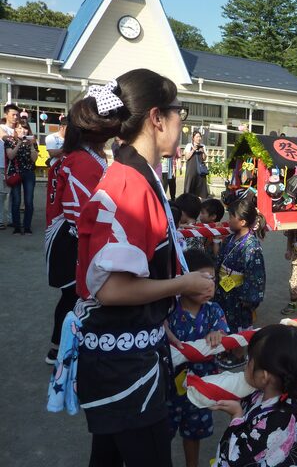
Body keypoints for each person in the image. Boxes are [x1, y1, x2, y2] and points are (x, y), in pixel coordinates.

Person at [72, 69, 215, 466]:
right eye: (179, 112)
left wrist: (159, 322)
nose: (182, 122)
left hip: (126, 352)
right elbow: (112, 289)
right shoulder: (131, 185)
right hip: (126, 366)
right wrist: (184, 283)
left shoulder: (133, 175)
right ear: (157, 118)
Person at [43, 100, 108, 365]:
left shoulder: (75, 157)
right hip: (74, 238)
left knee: (73, 295)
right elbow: (79, 211)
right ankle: (61, 349)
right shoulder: (81, 160)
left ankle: (60, 347)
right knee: (75, 295)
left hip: (70, 234)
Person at [211, 324, 297, 466]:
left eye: (249, 360)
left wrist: (236, 415)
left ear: (264, 377)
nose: (246, 365)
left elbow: (236, 459)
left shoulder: (279, 420)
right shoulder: (269, 392)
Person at [165, 249, 229, 467]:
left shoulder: (214, 311)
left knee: (193, 434)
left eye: (212, 279)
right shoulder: (169, 310)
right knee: (162, 434)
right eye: (203, 280)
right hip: (169, 389)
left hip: (200, 387)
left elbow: (224, 334)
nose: (209, 286)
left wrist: (218, 334)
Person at [214, 197, 266, 369]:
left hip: (239, 294)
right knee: (225, 321)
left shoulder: (252, 246)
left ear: (242, 222)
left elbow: (256, 275)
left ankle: (239, 354)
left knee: (239, 324)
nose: (228, 220)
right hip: (224, 290)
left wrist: (249, 299)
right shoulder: (230, 239)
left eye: (231, 217)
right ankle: (227, 348)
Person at [4, 120, 38, 235]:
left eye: (24, 128)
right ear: (15, 130)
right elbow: (10, 156)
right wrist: (18, 143)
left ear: (28, 130)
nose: (22, 130)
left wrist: (32, 145)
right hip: (15, 173)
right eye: (19, 128)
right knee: (16, 200)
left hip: (29, 173)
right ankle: (17, 227)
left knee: (29, 201)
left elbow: (34, 159)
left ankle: (27, 226)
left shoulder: (32, 141)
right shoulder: (10, 141)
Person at [0, 104, 19, 229]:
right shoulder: (1, 128)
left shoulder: (19, 129)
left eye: (17, 115)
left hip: (15, 167)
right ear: (6, 115)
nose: (15, 117)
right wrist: (18, 137)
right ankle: (1, 220)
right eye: (13, 114)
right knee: (2, 194)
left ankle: (12, 219)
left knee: (14, 195)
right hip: (2, 165)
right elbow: (4, 137)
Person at [183, 130, 209, 198]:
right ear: (193, 138)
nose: (199, 138)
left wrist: (203, 152)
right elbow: (186, 157)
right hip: (191, 171)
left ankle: (200, 201)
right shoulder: (189, 145)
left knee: (201, 188)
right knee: (190, 187)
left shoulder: (203, 146)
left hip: (200, 171)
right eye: (197, 137)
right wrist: (193, 150)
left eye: (200, 137)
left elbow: (204, 159)